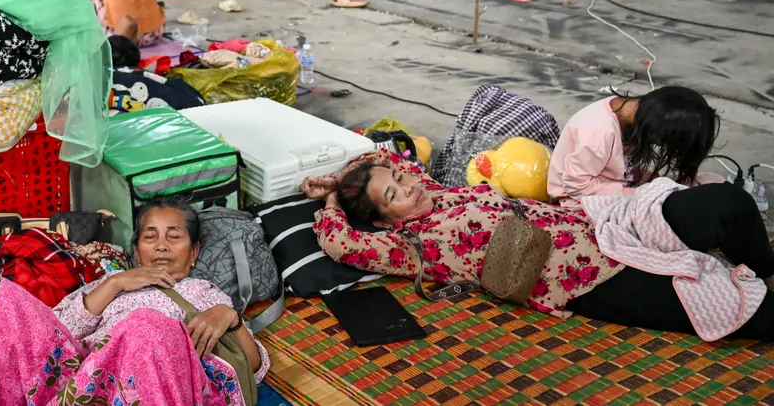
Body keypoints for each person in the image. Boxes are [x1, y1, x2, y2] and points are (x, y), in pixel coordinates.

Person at [306, 150, 774, 340]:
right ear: (383, 221)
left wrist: (342, 175)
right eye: (393, 195)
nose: (407, 187)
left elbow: (382, 156)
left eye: (403, 179)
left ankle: (767, 265)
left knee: (725, 203)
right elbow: (339, 243)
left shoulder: (435, 189)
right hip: (590, 282)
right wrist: (332, 197)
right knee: (740, 309)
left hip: (602, 225)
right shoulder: (406, 245)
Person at [0, 197, 269, 404]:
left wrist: (231, 317)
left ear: (193, 253)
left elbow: (254, 367)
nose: (161, 245)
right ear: (136, 249)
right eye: (150, 237)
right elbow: (57, 333)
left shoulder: (205, 292)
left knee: (144, 326)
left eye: (174, 236)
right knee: (6, 299)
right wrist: (116, 283)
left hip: (164, 385)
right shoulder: (110, 283)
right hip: (91, 381)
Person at [548, 87, 721, 209]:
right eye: (663, 142)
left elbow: (619, 164)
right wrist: (637, 194)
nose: (658, 145)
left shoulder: (631, 112)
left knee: (712, 182)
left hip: (621, 186)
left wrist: (649, 178)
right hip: (577, 200)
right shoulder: (599, 133)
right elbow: (576, 186)